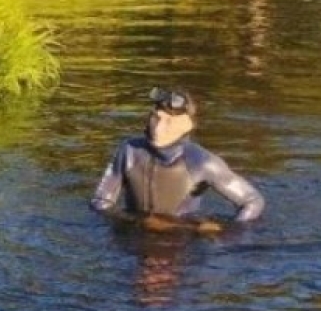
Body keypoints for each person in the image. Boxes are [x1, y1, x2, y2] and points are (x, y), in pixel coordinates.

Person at [91, 88, 264, 232]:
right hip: (133, 238)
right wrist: (138, 221)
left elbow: (252, 201)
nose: (158, 127)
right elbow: (101, 202)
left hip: (181, 242)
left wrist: (227, 233)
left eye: (169, 121)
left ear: (187, 126)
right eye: (156, 117)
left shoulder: (203, 162)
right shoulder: (128, 150)